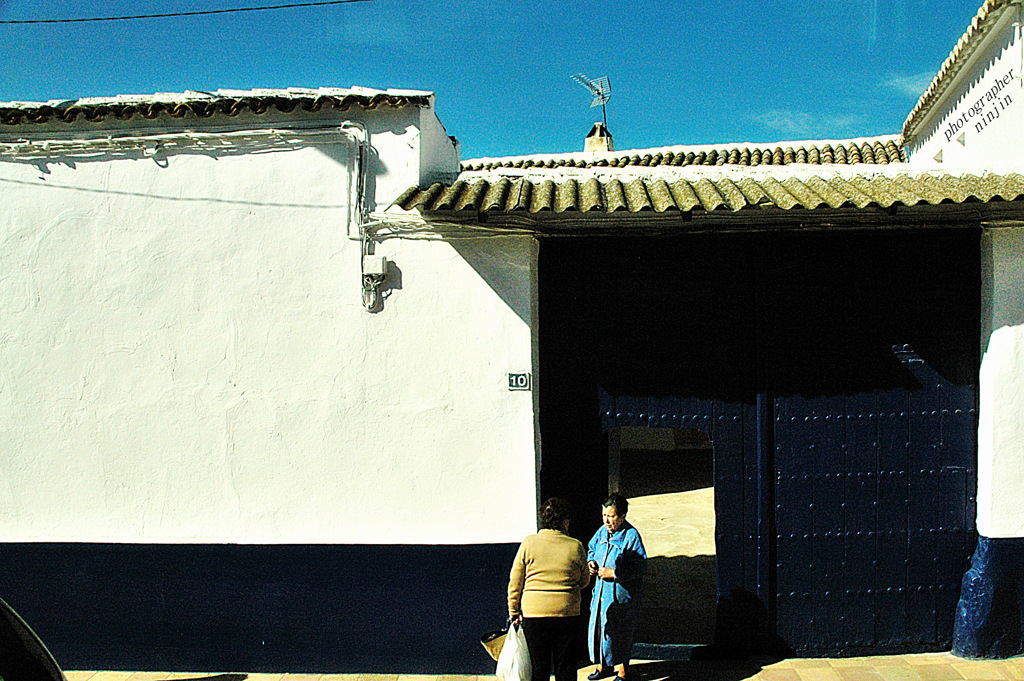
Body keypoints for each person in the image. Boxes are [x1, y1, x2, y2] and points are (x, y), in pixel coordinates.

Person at [508, 498, 591, 681]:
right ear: (565, 521)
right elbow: (584, 580)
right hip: (567, 613)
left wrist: (514, 611)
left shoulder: (528, 544)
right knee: (566, 666)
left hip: (534, 615)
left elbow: (515, 582)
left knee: (540, 667)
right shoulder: (575, 546)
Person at [587, 493, 647, 681]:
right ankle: (604, 667)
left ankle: (623, 671)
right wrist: (591, 562)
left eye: (611, 516)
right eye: (605, 515)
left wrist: (615, 574)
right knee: (601, 631)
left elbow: (640, 566)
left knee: (620, 632)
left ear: (622, 516)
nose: (607, 520)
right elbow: (591, 548)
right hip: (600, 594)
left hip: (620, 596)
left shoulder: (631, 536)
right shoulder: (601, 532)